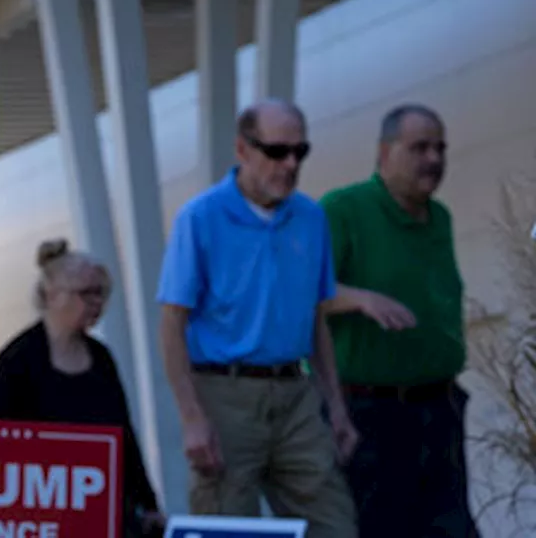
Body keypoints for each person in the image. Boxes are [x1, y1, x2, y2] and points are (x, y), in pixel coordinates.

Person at [156, 99, 360, 538]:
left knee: (336, 524)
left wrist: (336, 407)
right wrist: (192, 417)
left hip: (295, 395)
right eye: (276, 152)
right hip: (224, 393)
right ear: (242, 150)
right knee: (226, 525)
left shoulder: (310, 217)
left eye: (299, 153)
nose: (289, 164)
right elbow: (172, 322)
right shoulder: (201, 217)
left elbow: (316, 318)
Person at [319, 104, 481, 537]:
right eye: (419, 148)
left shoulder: (439, 217)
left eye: (440, 148)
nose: (434, 159)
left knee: (452, 528)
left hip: (439, 408)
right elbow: (299, 294)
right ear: (384, 153)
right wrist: (358, 298)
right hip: (370, 412)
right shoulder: (344, 209)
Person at [0, 238, 166, 538]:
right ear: (51, 294)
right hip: (39, 511)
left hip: (102, 508)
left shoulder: (101, 357)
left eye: (101, 293)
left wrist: (148, 503)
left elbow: (123, 436)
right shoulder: (17, 361)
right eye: (86, 294)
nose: (96, 303)